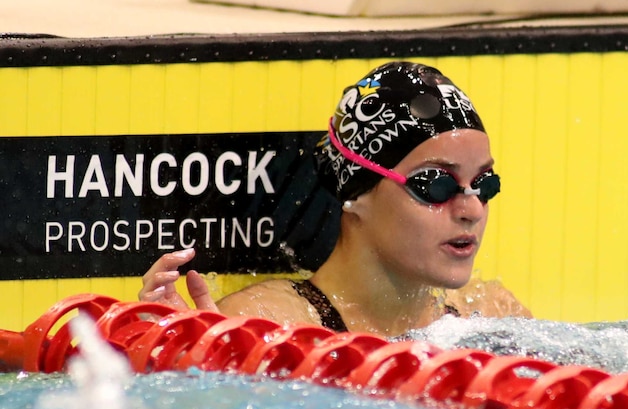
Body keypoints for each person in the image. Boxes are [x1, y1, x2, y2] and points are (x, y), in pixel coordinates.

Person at [139, 61, 531, 337]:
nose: (471, 209)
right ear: (356, 193)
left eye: (484, 183)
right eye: (437, 185)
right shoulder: (267, 324)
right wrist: (188, 355)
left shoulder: (493, 314)